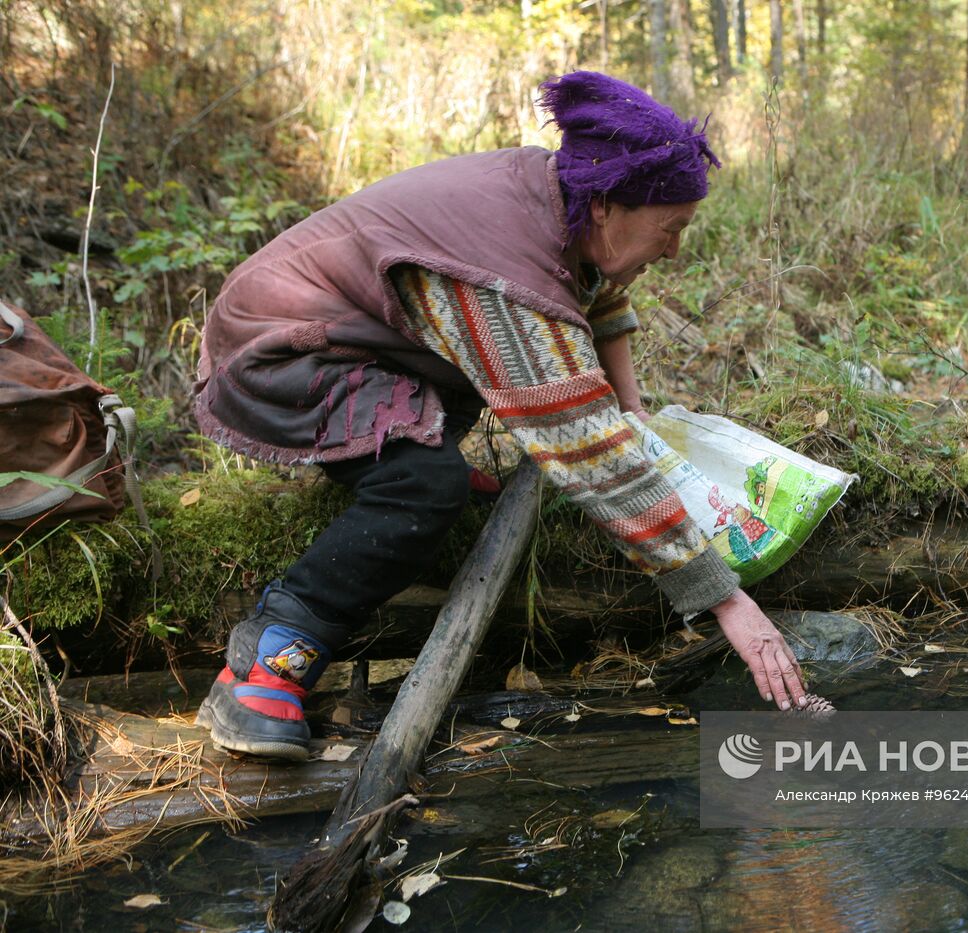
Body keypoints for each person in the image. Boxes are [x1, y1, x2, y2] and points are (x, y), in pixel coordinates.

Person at [192, 71, 809, 761]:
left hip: (352, 339)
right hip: (277, 350)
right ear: (607, 206)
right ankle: (271, 649)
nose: (674, 250)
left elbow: (592, 288)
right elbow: (588, 450)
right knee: (424, 489)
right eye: (670, 230)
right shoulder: (499, 273)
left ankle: (388, 462)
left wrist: (633, 410)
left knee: (454, 463)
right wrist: (723, 599)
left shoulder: (561, 200)